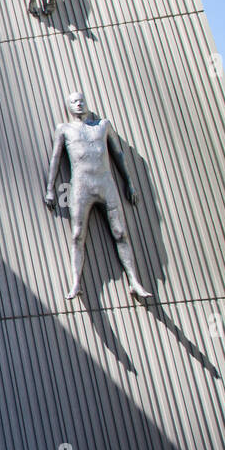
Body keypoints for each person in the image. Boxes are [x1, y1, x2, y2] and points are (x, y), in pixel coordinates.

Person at [43, 91, 152, 301]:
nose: (79, 104)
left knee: (121, 232)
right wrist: (50, 188)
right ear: (68, 106)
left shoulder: (102, 126)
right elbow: (55, 159)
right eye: (74, 101)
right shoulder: (64, 129)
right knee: (77, 235)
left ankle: (134, 281)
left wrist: (129, 183)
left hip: (106, 183)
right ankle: (76, 282)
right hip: (80, 186)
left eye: (81, 100)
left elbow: (118, 154)